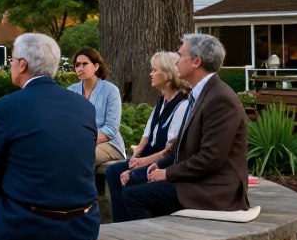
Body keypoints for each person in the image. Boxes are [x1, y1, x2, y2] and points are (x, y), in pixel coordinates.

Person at [0, 33, 100, 240]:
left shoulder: (6, 108)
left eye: (12, 60)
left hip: (28, 227)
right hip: (83, 225)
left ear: (22, 65)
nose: (11, 65)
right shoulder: (85, 107)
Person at [119, 34, 250, 221]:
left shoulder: (220, 99)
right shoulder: (201, 93)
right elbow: (180, 146)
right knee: (131, 180)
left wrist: (167, 173)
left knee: (134, 196)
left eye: (180, 56)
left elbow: (210, 158)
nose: (176, 62)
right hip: (198, 180)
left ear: (196, 61)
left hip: (216, 188)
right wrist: (161, 164)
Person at [106, 52, 189, 222]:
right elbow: (145, 138)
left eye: (154, 70)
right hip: (149, 157)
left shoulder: (182, 104)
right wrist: (133, 160)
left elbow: (170, 150)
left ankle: (136, 227)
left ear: (168, 73)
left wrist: (138, 165)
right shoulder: (162, 101)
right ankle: (120, 224)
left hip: (164, 161)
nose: (150, 74)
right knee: (114, 171)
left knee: (132, 178)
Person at [67, 48, 126, 165]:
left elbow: (111, 128)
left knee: (81, 156)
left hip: (110, 144)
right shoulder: (70, 91)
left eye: (85, 64)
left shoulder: (110, 90)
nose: (80, 68)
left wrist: (85, 141)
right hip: (78, 144)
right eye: (77, 65)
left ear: (96, 66)